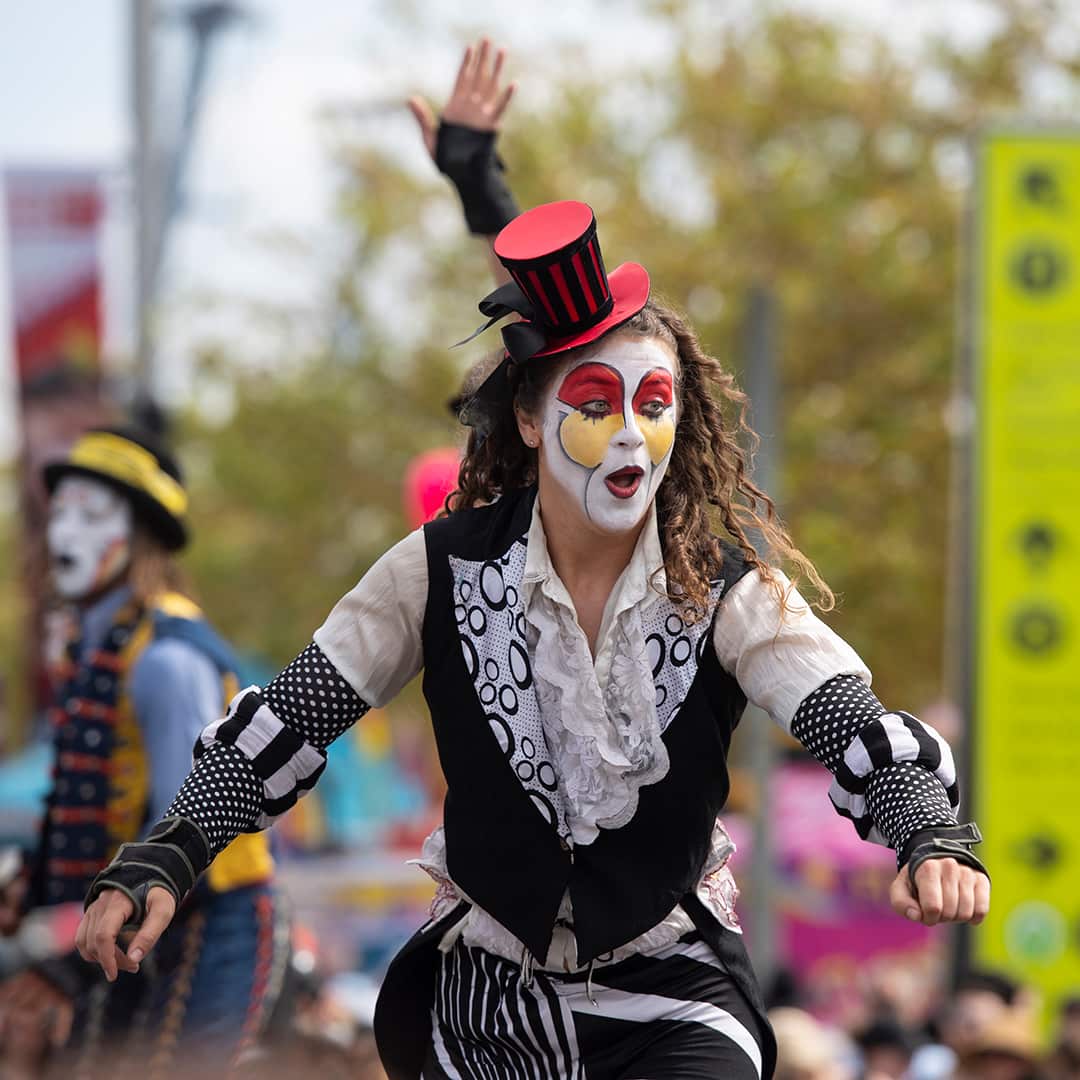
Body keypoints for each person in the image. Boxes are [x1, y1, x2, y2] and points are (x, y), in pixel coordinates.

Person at [0, 426, 286, 1076]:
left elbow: (184, 836)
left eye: (92, 514)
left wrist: (65, 974)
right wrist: (35, 882)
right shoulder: (92, 648)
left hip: (211, 926)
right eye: (61, 513)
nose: (66, 533)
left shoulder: (165, 661)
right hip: (130, 922)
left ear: (139, 535)